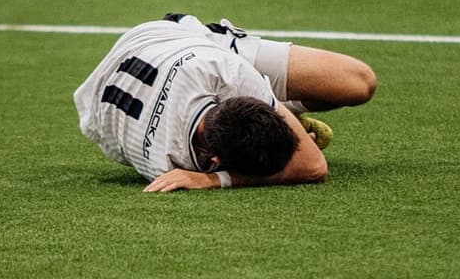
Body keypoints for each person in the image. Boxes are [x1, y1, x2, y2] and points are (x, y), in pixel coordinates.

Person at [74, 14, 377, 191]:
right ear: (214, 160)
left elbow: (308, 165)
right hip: (123, 84)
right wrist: (215, 180)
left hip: (164, 38)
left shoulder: (226, 72)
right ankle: (285, 116)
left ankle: (285, 112)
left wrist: (210, 177)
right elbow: (313, 167)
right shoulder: (169, 163)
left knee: (359, 83)